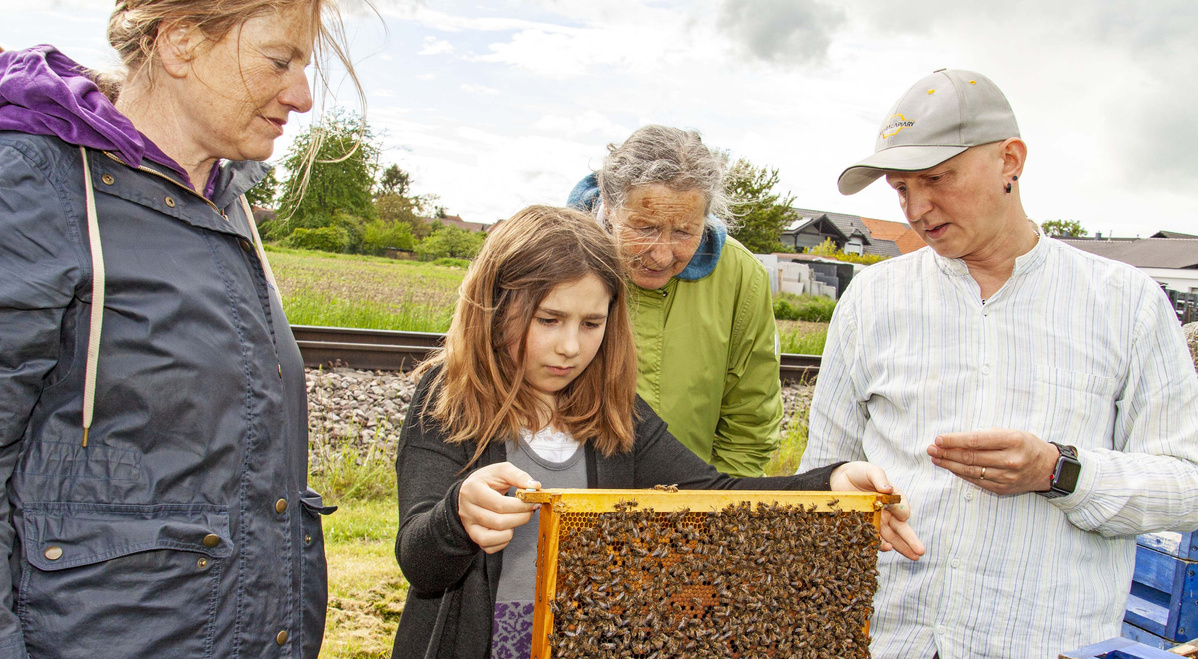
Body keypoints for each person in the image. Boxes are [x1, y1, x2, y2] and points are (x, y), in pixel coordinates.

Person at [391, 205, 924, 659]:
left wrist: (829, 487)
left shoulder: (616, 412)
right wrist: (457, 514)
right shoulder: (447, 398)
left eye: (591, 324)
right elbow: (420, 561)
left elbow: (714, 497)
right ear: (494, 307)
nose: (571, 347)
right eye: (548, 320)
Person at [0, 2, 362, 656]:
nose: (303, 96)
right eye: (280, 62)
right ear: (181, 43)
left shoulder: (231, 212)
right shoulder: (34, 189)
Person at [800, 69, 1198, 659]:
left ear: (1010, 160)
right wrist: (853, 506)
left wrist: (1059, 471)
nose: (917, 207)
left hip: (1045, 643)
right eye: (900, 188)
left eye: (936, 178)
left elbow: (1187, 482)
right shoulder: (871, 299)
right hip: (887, 636)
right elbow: (823, 472)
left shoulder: (1127, 304)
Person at [567, 125, 782, 477]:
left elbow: (749, 425)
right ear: (608, 203)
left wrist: (709, 513)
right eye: (645, 227)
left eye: (684, 231)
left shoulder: (742, 276)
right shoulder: (551, 256)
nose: (662, 255)